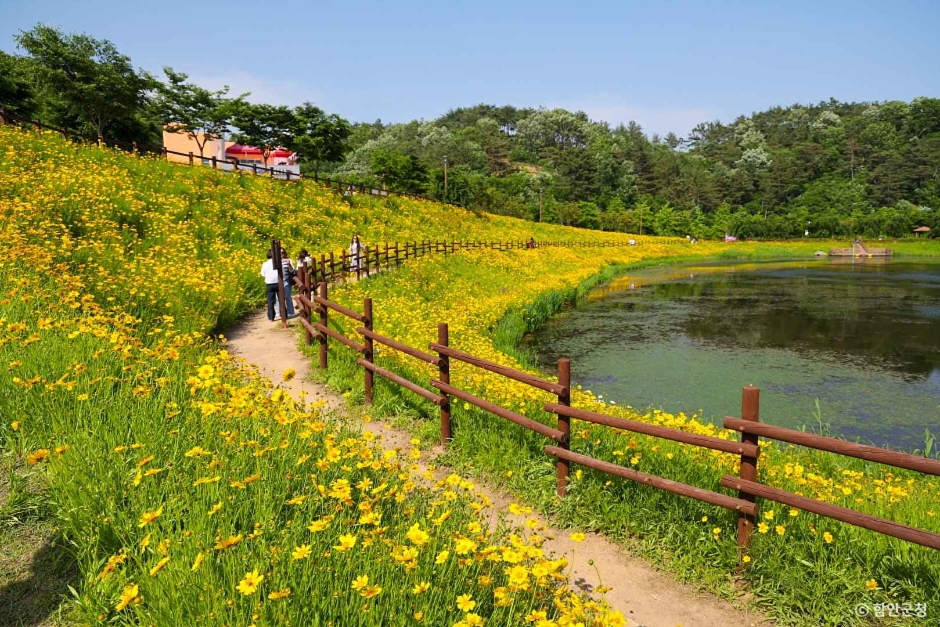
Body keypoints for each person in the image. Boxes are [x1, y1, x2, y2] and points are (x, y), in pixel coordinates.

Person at [260, 250, 281, 322]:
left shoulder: (265, 264)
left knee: (270, 301)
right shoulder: (278, 263)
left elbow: (262, 274)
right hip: (278, 283)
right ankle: (284, 315)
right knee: (281, 299)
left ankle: (271, 317)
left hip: (269, 284)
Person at [280, 249, 297, 319]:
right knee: (279, 298)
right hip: (277, 281)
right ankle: (281, 313)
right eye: (280, 253)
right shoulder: (274, 261)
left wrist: (289, 264)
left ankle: (291, 312)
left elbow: (292, 270)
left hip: (286, 280)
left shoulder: (289, 260)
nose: (282, 254)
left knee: (287, 296)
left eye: (283, 252)